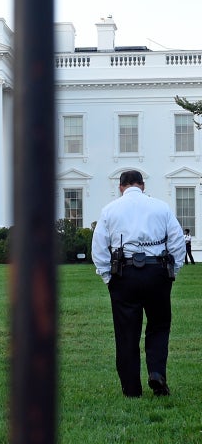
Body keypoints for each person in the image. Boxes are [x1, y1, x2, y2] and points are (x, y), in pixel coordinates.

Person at [91, 170, 185, 397]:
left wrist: (107, 277)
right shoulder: (161, 207)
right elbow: (177, 240)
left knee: (126, 333)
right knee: (159, 326)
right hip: (157, 272)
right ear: (142, 185)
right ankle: (156, 373)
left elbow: (99, 247)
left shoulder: (110, 210)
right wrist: (173, 271)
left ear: (121, 187)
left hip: (124, 273)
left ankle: (131, 388)